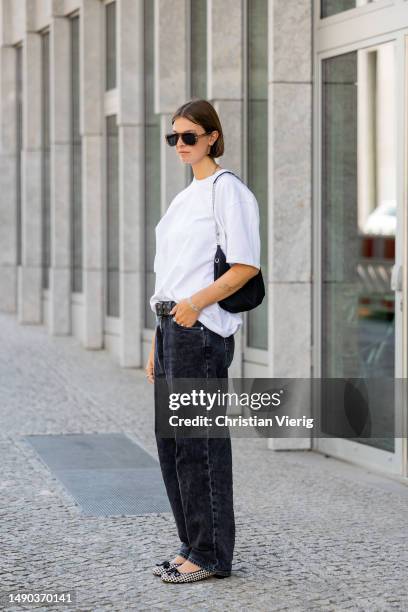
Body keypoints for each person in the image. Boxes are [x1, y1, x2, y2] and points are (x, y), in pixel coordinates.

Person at [145, 98, 261, 583]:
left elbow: (245, 266)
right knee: (172, 442)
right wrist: (157, 339)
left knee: (200, 443)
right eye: (174, 137)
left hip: (200, 330)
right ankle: (192, 543)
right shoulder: (183, 198)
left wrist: (193, 306)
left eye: (189, 136)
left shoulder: (226, 190)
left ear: (212, 136)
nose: (180, 145)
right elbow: (168, 274)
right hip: (171, 327)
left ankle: (211, 554)